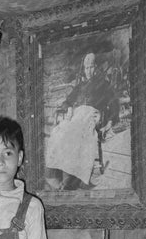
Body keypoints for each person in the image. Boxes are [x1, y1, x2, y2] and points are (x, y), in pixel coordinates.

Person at [46, 52, 119, 190]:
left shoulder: (104, 84)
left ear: (96, 67)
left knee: (75, 135)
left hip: (92, 116)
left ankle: (70, 181)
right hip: (77, 115)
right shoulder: (80, 85)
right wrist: (68, 109)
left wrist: (107, 122)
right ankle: (58, 175)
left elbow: (114, 104)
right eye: (86, 67)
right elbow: (67, 101)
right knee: (58, 132)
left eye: (91, 67)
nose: (89, 71)